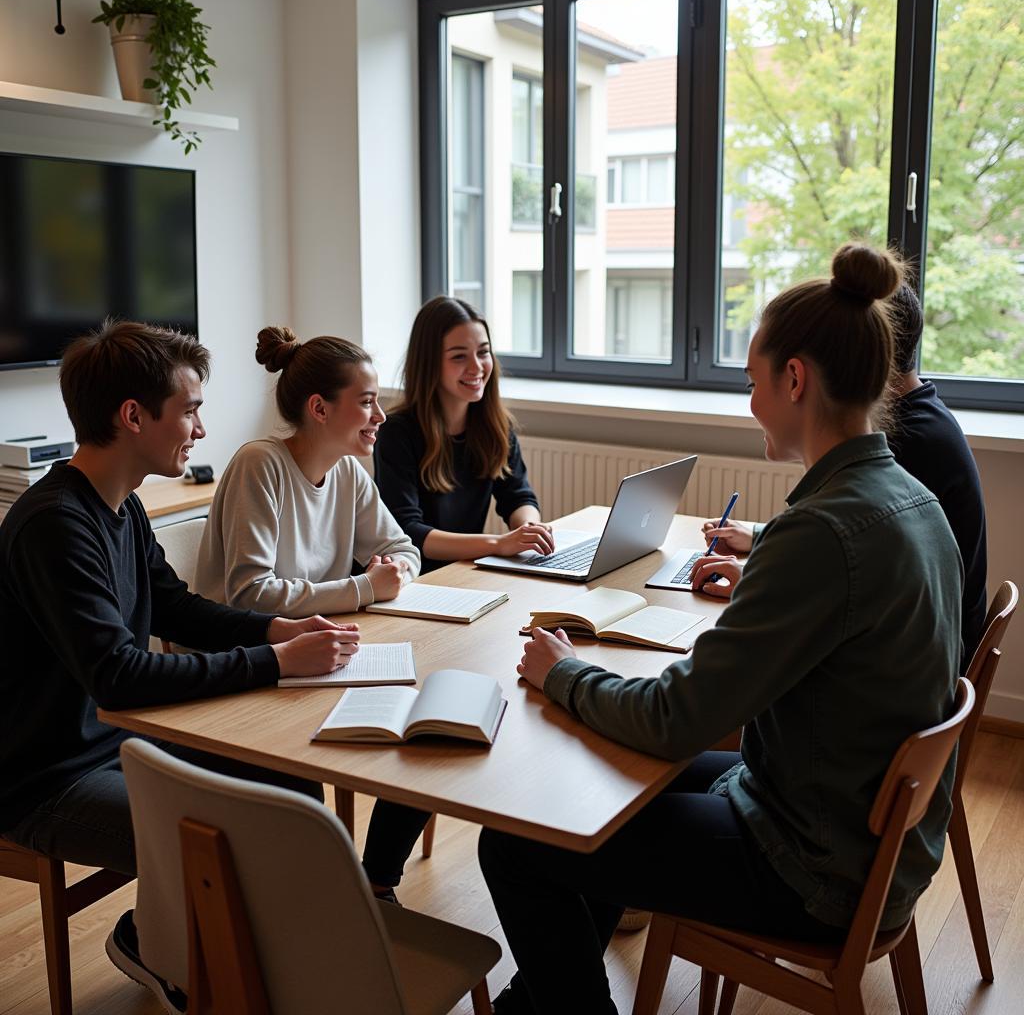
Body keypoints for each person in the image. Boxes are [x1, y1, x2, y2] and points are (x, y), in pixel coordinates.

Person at [477, 244, 963, 1015]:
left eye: (751, 382)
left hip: (810, 865)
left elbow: (678, 721)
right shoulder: (911, 498)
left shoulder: (821, 534)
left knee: (514, 842)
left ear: (795, 379)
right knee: (594, 796)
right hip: (860, 835)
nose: (749, 402)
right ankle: (539, 1000)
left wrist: (561, 672)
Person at [0, 320, 358, 1013]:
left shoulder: (122, 506)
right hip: (46, 778)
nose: (200, 427)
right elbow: (121, 676)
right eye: (189, 409)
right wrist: (276, 661)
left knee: (289, 784)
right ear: (133, 416)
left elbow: (177, 609)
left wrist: (274, 626)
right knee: (252, 835)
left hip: (120, 744)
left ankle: (183, 946)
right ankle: (196, 961)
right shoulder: (52, 525)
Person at [194, 325, 427, 902]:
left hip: (318, 652)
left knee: (430, 724)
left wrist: (382, 579)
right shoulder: (260, 466)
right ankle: (322, 902)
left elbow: (405, 551)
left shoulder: (348, 472)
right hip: (249, 663)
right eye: (367, 401)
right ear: (320, 408)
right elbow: (251, 593)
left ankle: (375, 884)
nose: (380, 415)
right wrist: (363, 588)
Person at [699, 283, 987, 673]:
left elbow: (845, 553)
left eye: (754, 382)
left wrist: (759, 587)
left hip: (905, 668)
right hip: (920, 671)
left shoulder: (905, 441)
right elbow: (866, 546)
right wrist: (763, 539)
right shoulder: (926, 420)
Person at [373, 295, 554, 574]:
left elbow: (518, 496)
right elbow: (408, 532)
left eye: (483, 352)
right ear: (429, 363)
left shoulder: (495, 426)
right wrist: (498, 543)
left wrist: (529, 530)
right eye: (459, 356)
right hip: (415, 578)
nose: (477, 367)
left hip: (463, 571)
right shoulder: (397, 431)